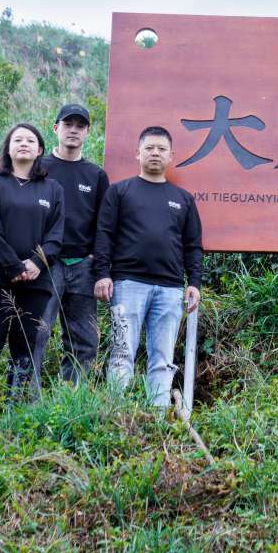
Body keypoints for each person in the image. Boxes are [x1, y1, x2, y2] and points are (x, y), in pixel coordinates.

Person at [93, 125, 203, 408]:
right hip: (127, 285)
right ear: (137, 153)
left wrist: (194, 282)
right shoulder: (120, 192)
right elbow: (104, 235)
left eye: (161, 149)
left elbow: (193, 245)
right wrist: (102, 274)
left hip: (170, 289)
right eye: (149, 148)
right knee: (121, 353)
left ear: (171, 156)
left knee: (163, 359)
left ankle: (158, 416)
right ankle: (116, 414)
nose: (155, 153)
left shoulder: (183, 199)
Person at [0, 123, 64, 404]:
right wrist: (14, 266)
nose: (24, 144)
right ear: (8, 148)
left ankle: (15, 409)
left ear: (40, 150)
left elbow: (56, 235)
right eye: (18, 140)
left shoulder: (53, 189)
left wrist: (36, 263)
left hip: (37, 280)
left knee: (25, 345)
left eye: (30, 140)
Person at [32, 104, 110, 385]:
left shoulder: (96, 175)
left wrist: (100, 268)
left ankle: (72, 397)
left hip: (83, 266)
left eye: (80, 126)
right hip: (44, 264)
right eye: (68, 125)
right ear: (56, 128)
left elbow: (104, 226)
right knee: (36, 334)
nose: (73, 130)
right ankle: (27, 399)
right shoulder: (39, 168)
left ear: (88, 132)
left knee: (84, 341)